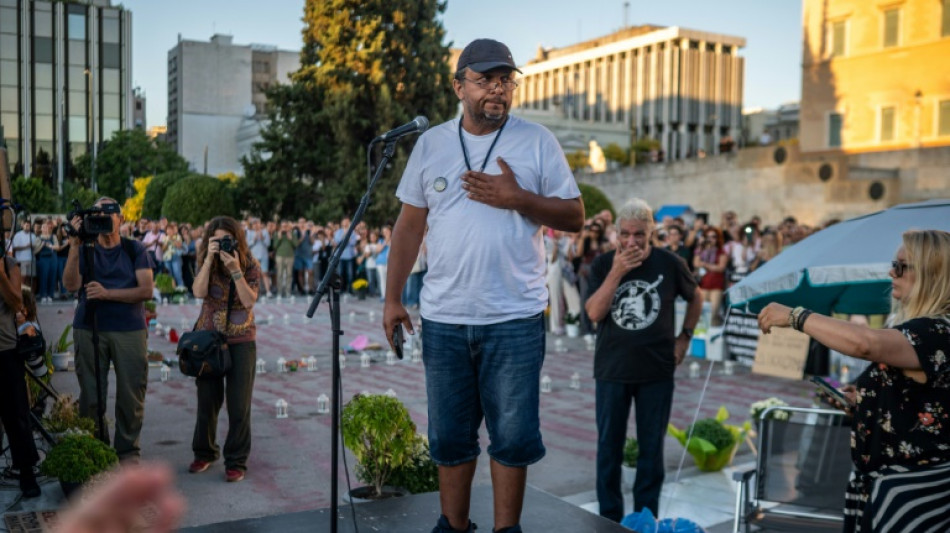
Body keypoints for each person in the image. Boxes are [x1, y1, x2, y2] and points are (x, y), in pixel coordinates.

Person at [383, 38, 584, 533]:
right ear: (459, 86)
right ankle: (453, 526)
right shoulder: (430, 145)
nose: (498, 89)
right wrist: (392, 299)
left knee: (513, 438)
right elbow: (409, 227)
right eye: (486, 79)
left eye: (506, 80)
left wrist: (518, 197)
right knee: (450, 437)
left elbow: (575, 215)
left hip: (513, 318)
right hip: (446, 317)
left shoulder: (537, 141)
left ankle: (505, 530)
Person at [757, 229, 950, 532]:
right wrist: (865, 400)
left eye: (901, 266)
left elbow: (865, 343)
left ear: (931, 274)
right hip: (890, 485)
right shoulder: (923, 330)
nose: (891, 272)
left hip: (913, 490)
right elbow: (912, 399)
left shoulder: (937, 332)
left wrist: (796, 316)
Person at [584, 198, 702, 521]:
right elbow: (594, 312)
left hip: (656, 370)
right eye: (625, 234)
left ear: (651, 232)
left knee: (652, 451)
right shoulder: (603, 264)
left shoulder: (670, 263)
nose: (631, 242)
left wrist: (685, 337)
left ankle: (644, 519)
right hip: (612, 370)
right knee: (609, 448)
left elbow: (697, 296)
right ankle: (609, 519)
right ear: (616, 234)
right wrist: (617, 273)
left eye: (639, 234)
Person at [63, 197, 154, 461]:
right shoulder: (85, 247)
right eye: (97, 213)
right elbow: (70, 285)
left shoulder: (134, 248)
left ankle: (127, 453)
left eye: (109, 212)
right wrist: (74, 244)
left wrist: (107, 293)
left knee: (131, 394)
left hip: (128, 329)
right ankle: (97, 451)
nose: (104, 217)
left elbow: (146, 290)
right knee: (91, 396)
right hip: (89, 327)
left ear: (121, 219)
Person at [188, 216, 260, 483]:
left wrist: (236, 269)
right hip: (209, 340)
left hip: (242, 341)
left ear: (237, 239)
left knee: (239, 405)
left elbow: (249, 300)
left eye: (226, 239)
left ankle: (236, 460)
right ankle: (204, 452)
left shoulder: (250, 262)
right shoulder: (206, 258)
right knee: (207, 400)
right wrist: (208, 258)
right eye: (216, 239)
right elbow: (197, 291)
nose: (222, 244)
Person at [0, 255, 41, 499]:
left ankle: (27, 472)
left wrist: (1, 275)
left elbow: (17, 301)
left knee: (17, 414)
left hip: (4, 348)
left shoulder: (8, 263)